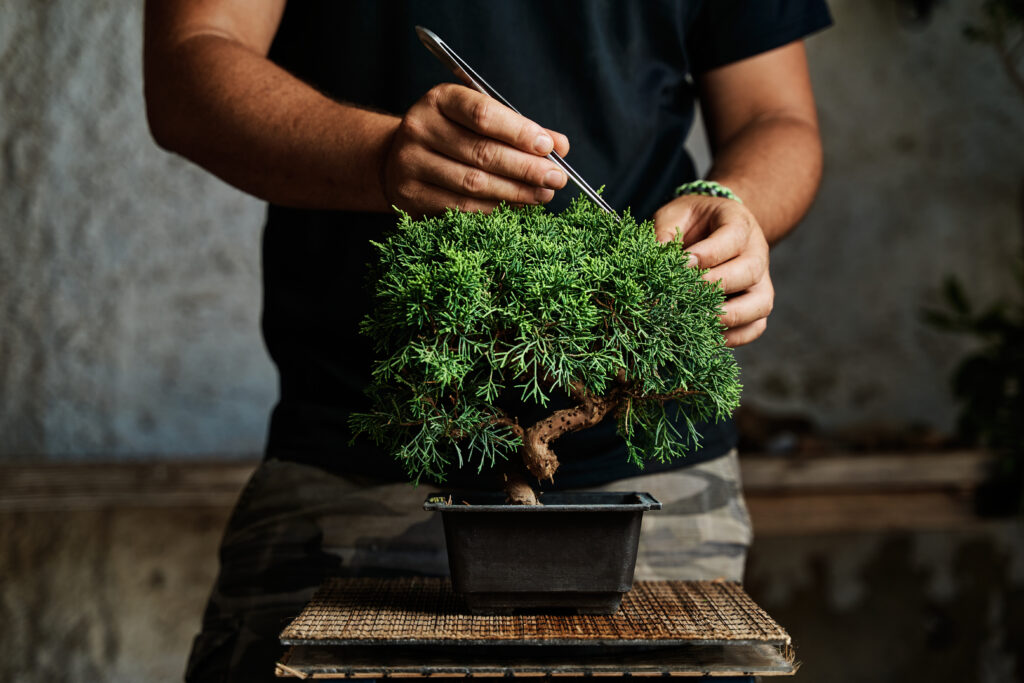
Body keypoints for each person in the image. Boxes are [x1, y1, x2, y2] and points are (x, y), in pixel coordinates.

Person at [143, 1, 830, 680]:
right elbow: (190, 59)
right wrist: (379, 157)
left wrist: (734, 204)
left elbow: (777, 116)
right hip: (357, 470)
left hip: (653, 484)